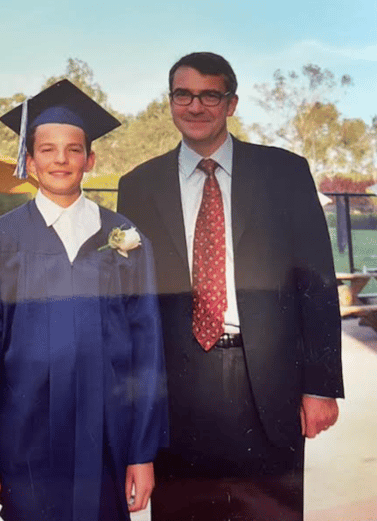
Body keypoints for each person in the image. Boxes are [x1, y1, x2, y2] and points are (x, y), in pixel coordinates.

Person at [117, 52, 344, 521]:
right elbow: (130, 298)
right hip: (176, 387)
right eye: (184, 94)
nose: (195, 106)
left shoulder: (284, 172)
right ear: (170, 101)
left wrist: (321, 386)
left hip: (265, 379)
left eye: (209, 95)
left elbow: (317, 282)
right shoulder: (137, 185)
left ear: (231, 103)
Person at [0, 80, 168, 521]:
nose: (61, 160)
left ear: (90, 159)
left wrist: (142, 453)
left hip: (106, 436)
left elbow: (147, 351)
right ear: (29, 161)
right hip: (22, 434)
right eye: (47, 149)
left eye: (73, 149)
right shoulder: (2, 237)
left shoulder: (125, 237)